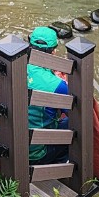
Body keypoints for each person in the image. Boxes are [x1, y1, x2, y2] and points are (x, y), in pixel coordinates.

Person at [20, 27, 70, 165]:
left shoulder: (14, 66)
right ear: (53, 52)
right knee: (74, 124)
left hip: (5, 141)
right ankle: (58, 165)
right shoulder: (58, 85)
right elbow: (74, 114)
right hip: (35, 154)